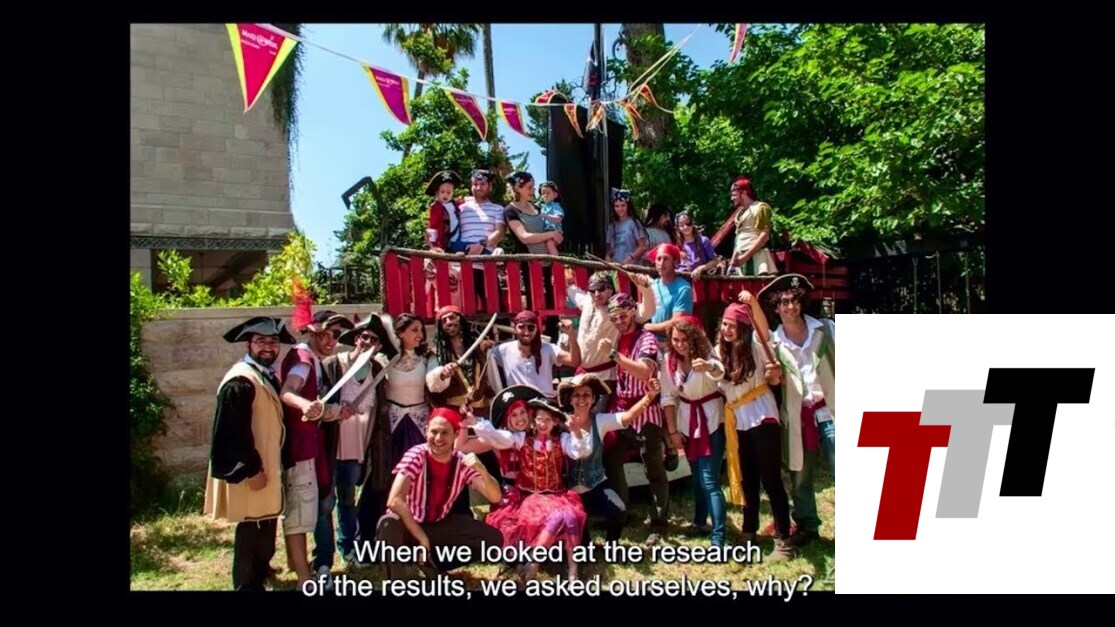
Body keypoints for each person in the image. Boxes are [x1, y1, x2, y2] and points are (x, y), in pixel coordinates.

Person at [203, 316, 294, 591]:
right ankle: (246, 583)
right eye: (261, 341)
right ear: (248, 345)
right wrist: (251, 469)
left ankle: (262, 567)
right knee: (250, 526)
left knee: (265, 519)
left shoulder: (263, 375)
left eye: (273, 342)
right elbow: (231, 431)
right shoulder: (240, 381)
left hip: (268, 462)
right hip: (252, 467)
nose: (268, 347)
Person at [472, 395, 593, 580]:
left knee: (570, 516)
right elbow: (498, 438)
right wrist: (476, 422)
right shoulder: (522, 439)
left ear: (555, 422)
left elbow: (581, 451)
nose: (543, 424)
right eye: (539, 419)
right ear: (533, 420)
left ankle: (572, 570)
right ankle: (534, 563)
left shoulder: (562, 440)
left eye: (547, 420)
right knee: (559, 516)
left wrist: (576, 432)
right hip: (530, 496)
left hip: (557, 495)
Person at [374, 407, 504, 579]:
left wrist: (482, 470)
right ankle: (398, 580)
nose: (438, 438)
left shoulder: (461, 462)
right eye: (434, 432)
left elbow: (495, 496)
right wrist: (422, 538)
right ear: (426, 430)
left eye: (445, 433)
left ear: (456, 435)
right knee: (388, 523)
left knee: (492, 539)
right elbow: (395, 501)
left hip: (436, 525)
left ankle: (432, 565)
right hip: (407, 526)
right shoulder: (416, 455)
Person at [278, 307, 355, 589]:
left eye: (337, 335)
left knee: (313, 506)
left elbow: (317, 405)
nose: (332, 340)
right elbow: (288, 391)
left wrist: (335, 412)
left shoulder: (315, 360)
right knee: (300, 514)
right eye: (328, 334)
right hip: (301, 449)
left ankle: (304, 565)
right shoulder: (303, 359)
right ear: (313, 331)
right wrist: (304, 405)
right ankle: (305, 577)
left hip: (313, 445)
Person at [713, 296, 793, 561]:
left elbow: (763, 329)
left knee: (770, 478)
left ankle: (783, 538)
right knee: (747, 478)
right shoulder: (719, 351)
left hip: (762, 415)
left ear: (744, 328)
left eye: (733, 325)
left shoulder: (756, 345)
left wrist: (755, 304)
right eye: (725, 324)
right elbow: (715, 372)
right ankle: (749, 531)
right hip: (738, 418)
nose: (727, 330)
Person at [759, 273, 835, 548]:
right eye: (784, 302)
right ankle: (807, 525)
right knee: (800, 473)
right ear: (776, 307)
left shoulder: (826, 329)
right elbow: (771, 380)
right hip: (797, 415)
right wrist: (771, 377)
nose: (790, 307)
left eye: (794, 300)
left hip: (831, 411)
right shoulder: (773, 343)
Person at [597, 292, 673, 545]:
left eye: (622, 316)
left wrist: (615, 356)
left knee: (653, 468)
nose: (618, 321)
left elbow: (645, 372)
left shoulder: (646, 338)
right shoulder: (620, 338)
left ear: (632, 312)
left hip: (646, 410)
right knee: (611, 458)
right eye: (614, 318)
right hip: (622, 410)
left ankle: (659, 523)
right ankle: (620, 511)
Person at [320, 314, 392, 568]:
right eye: (364, 337)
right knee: (326, 504)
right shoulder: (333, 364)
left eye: (374, 340)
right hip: (330, 447)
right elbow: (320, 402)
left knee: (348, 501)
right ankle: (324, 558)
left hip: (358, 449)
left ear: (379, 346)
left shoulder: (377, 372)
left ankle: (349, 548)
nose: (367, 343)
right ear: (356, 339)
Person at [560, 373, 661, 545]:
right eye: (576, 395)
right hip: (571, 491)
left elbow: (628, 416)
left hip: (596, 484)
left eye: (586, 395)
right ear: (570, 399)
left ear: (593, 399)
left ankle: (612, 545)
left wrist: (649, 396)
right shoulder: (562, 423)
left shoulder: (600, 421)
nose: (581, 399)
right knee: (582, 544)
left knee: (618, 510)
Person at [659, 316, 728, 548]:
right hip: (687, 423)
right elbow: (668, 397)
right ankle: (699, 522)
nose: (680, 344)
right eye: (675, 339)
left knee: (709, 479)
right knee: (696, 478)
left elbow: (720, 372)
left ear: (694, 337)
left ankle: (718, 537)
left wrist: (709, 367)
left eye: (684, 339)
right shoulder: (669, 361)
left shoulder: (707, 354)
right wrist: (672, 431)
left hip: (711, 421)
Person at [487, 310, 579, 398]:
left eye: (531, 328)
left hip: (543, 401)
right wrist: (483, 344)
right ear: (514, 328)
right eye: (521, 327)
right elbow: (486, 356)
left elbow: (574, 361)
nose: (526, 332)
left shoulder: (548, 349)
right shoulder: (503, 350)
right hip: (518, 403)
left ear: (536, 329)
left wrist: (571, 334)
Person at [641, 243, 695, 342]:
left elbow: (676, 323)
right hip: (652, 341)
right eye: (658, 259)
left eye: (666, 259)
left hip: (675, 344)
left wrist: (647, 326)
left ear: (675, 262)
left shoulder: (683, 289)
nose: (661, 263)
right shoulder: (653, 285)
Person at [504, 171, 563, 256]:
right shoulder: (511, 210)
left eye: (533, 186)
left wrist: (557, 236)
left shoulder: (537, 208)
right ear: (517, 188)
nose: (534, 190)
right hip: (530, 262)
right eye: (529, 187)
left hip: (549, 261)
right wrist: (551, 234)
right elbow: (524, 238)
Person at [727, 177, 777, 275]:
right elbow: (738, 239)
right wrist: (732, 262)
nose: (732, 198)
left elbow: (764, 236)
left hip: (757, 259)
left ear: (744, 193)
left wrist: (745, 257)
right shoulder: (740, 214)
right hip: (741, 260)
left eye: (734, 195)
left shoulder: (760, 208)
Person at [605, 189, 648, 266]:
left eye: (623, 205)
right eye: (616, 206)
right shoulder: (612, 226)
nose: (620, 209)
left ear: (628, 205)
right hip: (616, 266)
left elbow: (643, 246)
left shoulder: (634, 223)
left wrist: (631, 257)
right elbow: (609, 249)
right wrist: (607, 256)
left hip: (632, 267)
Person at [425, 170, 463, 253]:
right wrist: (433, 246)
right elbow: (432, 227)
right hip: (443, 243)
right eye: (442, 192)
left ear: (452, 193)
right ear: (437, 193)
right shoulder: (435, 208)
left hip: (458, 239)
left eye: (448, 192)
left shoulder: (454, 204)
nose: (445, 195)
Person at [675, 210, 720, 278]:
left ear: (692, 223)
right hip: (682, 279)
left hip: (700, 280)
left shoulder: (703, 241)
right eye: (681, 225)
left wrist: (700, 268)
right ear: (678, 228)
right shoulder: (677, 245)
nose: (685, 227)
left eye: (688, 223)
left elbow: (715, 261)